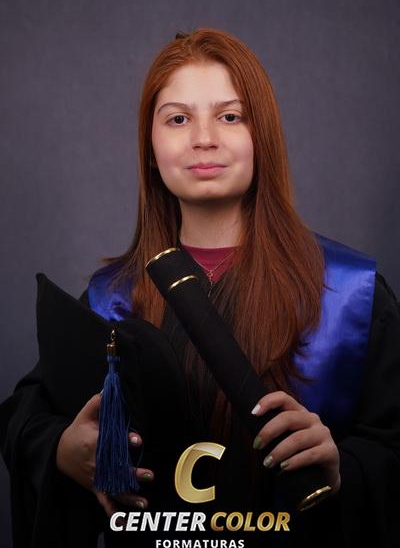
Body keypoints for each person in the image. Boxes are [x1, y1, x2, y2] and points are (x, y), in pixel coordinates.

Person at [1, 27, 399, 548]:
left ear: (262, 137)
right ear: (151, 148)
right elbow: (27, 417)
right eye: (178, 119)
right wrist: (62, 450)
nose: (203, 138)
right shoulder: (111, 299)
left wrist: (342, 469)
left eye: (230, 116)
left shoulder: (348, 294)